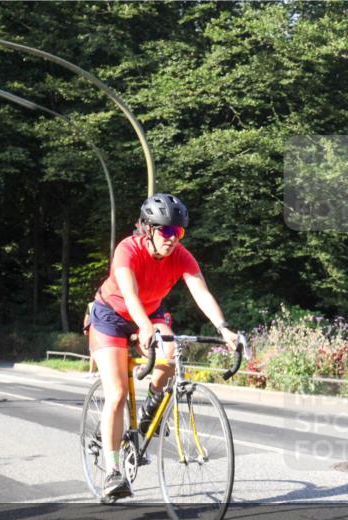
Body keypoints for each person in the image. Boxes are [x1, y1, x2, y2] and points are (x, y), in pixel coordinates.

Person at [90, 193, 239, 499]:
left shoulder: (181, 256)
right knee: (117, 393)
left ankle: (150, 411)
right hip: (111, 315)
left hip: (151, 311)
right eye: (166, 231)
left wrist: (224, 329)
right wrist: (143, 326)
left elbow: (201, 292)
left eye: (179, 232)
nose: (173, 239)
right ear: (147, 228)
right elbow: (130, 295)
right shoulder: (127, 250)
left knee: (170, 352)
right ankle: (113, 471)